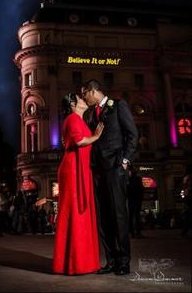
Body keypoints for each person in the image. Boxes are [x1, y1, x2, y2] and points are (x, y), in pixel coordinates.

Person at [81, 79, 138, 275]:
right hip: (97, 170)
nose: (83, 98)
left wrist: (125, 161)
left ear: (92, 90)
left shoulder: (118, 105)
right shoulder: (90, 114)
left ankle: (124, 262)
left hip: (115, 167)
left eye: (84, 94)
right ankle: (111, 260)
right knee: (103, 217)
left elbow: (132, 134)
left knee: (119, 215)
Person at [53, 93, 103, 275]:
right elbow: (79, 141)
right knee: (75, 213)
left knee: (78, 213)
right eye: (81, 98)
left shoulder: (77, 119)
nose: (84, 100)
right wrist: (96, 137)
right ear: (73, 104)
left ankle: (78, 262)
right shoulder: (72, 118)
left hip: (79, 169)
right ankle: (75, 263)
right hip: (73, 169)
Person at [127, 167, 144, 238]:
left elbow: (126, 190)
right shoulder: (138, 180)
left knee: (131, 216)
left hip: (131, 200)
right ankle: (138, 232)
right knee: (137, 216)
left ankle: (132, 233)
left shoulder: (128, 180)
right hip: (137, 200)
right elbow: (141, 189)